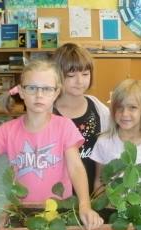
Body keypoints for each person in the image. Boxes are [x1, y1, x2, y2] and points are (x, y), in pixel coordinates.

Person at [0, 59, 103, 230]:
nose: (39, 95)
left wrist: (84, 205)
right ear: (21, 92)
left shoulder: (65, 127)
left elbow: (76, 168)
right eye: (32, 88)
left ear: (56, 93)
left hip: (60, 210)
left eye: (47, 89)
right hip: (24, 213)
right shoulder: (7, 131)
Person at [90, 79, 141, 189]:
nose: (124, 113)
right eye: (119, 107)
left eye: (132, 107)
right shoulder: (103, 142)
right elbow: (99, 183)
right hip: (111, 205)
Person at [52, 43, 109, 195]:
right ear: (57, 76)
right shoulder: (49, 113)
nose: (80, 81)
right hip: (58, 194)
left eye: (85, 74)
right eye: (71, 75)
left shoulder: (99, 110)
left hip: (94, 190)